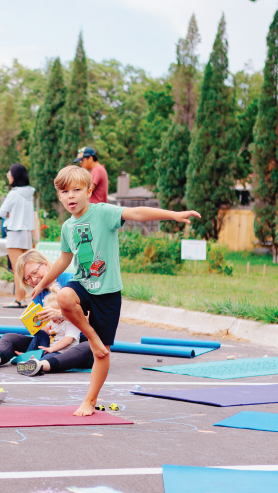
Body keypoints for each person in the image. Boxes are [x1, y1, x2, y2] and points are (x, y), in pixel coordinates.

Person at [31, 166, 199, 416]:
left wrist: (172, 215)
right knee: (64, 296)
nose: (70, 196)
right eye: (64, 192)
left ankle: (89, 399)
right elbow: (64, 260)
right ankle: (92, 337)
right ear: (59, 196)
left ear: (89, 191)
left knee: (102, 352)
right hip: (83, 285)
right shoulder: (68, 227)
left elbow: (136, 212)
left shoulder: (103, 213)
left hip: (108, 292)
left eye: (76, 190)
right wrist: (43, 283)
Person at [0, 249, 96, 375]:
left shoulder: (70, 280)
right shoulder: (38, 293)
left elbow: (91, 315)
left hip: (79, 340)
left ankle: (40, 365)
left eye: (35, 272)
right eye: (27, 278)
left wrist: (61, 315)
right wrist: (35, 327)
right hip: (53, 340)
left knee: (89, 347)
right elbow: (43, 332)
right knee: (10, 338)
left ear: (46, 264)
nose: (33, 280)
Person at [0, 163, 38, 308]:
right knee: (25, 268)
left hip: (14, 233)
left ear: (14, 176)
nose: (8, 176)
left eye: (9, 173)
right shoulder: (29, 194)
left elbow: (1, 213)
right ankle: (25, 298)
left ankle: (19, 300)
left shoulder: (13, 194)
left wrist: (9, 216)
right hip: (26, 234)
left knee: (17, 268)